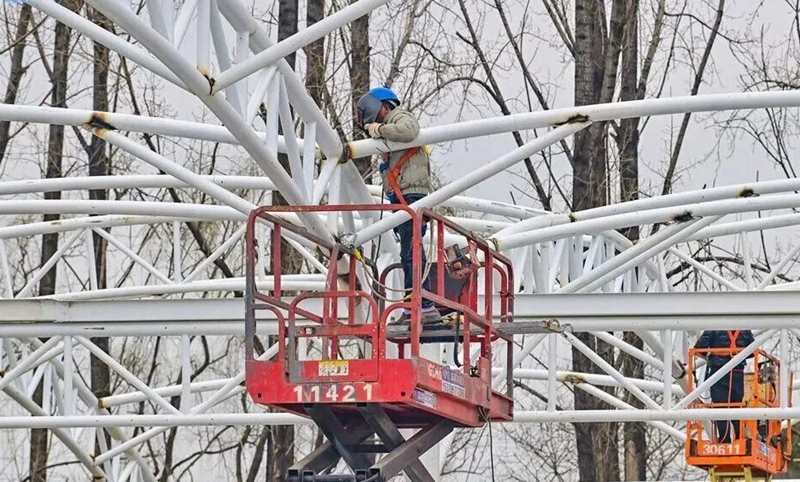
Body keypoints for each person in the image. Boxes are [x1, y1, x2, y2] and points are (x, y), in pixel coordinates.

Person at [356, 86, 440, 324]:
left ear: (384, 108)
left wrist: (380, 129)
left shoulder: (399, 117)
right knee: (408, 252)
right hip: (404, 196)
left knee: (411, 252)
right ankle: (415, 306)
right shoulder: (390, 130)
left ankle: (422, 306)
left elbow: (410, 129)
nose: (375, 123)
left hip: (411, 196)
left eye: (375, 117)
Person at [694, 329, 755, 443]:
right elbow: (752, 351)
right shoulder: (744, 329)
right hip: (737, 371)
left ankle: (724, 440)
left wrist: (712, 356)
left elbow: (699, 349)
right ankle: (740, 438)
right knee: (736, 406)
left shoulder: (714, 327)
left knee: (720, 407)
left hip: (718, 371)